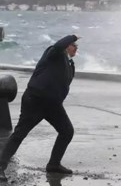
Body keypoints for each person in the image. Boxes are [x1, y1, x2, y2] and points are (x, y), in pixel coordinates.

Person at [0, 35, 79, 181]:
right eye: (74, 45)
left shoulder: (69, 63)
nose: (76, 48)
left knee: (67, 131)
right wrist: (73, 36)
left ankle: (54, 164)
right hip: (35, 101)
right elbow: (57, 46)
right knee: (19, 134)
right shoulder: (54, 53)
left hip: (53, 105)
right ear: (67, 45)